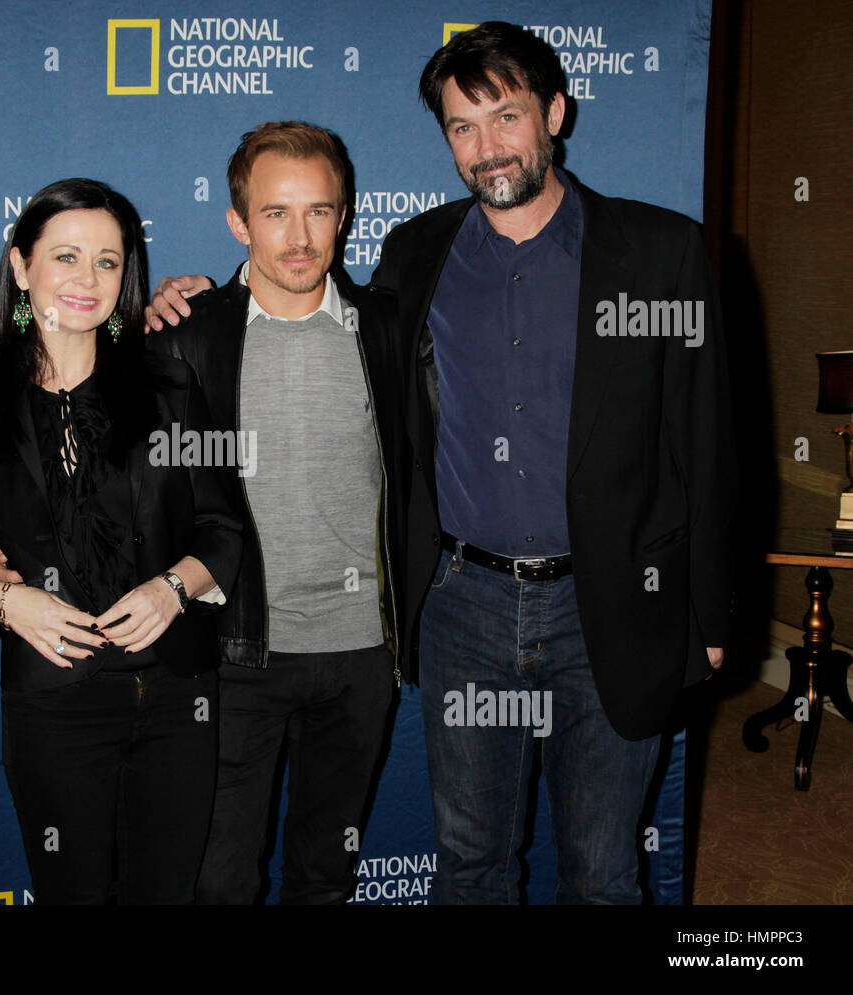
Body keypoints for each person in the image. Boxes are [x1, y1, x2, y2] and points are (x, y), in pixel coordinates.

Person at [147, 22, 734, 905]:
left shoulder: (662, 253)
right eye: (463, 126)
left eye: (506, 116)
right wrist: (184, 296)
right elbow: (296, 312)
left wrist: (713, 613)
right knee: (469, 864)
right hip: (464, 608)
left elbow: (710, 441)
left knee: (605, 871)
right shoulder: (417, 255)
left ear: (555, 116)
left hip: (610, 607)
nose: (487, 145)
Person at [0, 178, 242, 904]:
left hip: (177, 698)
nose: (87, 279)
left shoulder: (170, 388)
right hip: (54, 705)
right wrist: (11, 603)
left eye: (108, 262)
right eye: (67, 257)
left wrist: (173, 589)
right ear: (21, 267)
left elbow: (224, 528)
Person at [141, 122, 409, 904]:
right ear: (237, 222)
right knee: (220, 879)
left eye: (319, 212)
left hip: (361, 654)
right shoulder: (185, 335)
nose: (300, 238)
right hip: (236, 651)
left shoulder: (386, 328)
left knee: (325, 874)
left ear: (345, 215)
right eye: (276, 214)